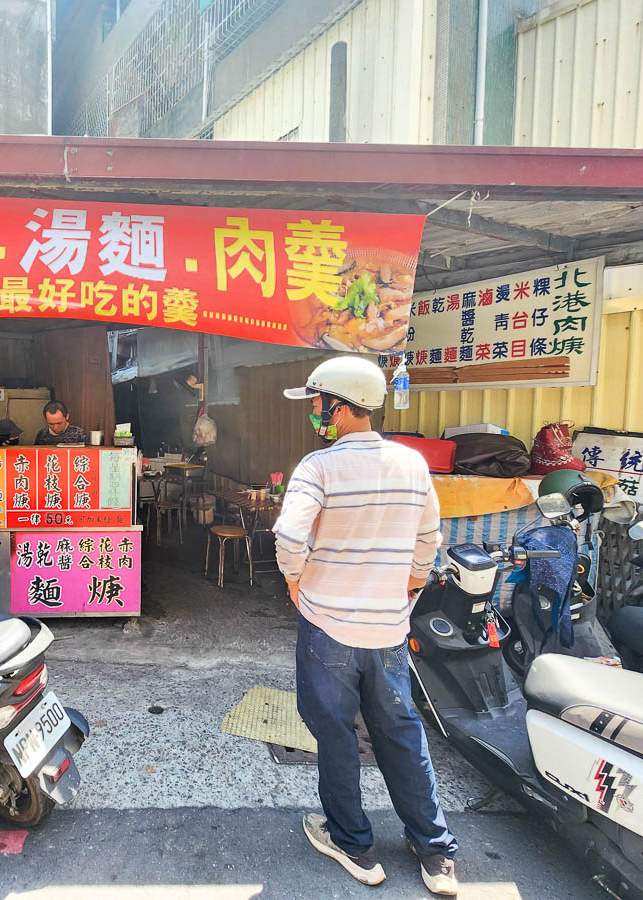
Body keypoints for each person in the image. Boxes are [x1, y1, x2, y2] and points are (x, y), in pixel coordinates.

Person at [272, 355, 457, 896]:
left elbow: (288, 536)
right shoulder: (411, 465)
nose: (313, 412)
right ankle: (435, 853)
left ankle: (353, 843)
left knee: (335, 735)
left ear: (341, 405)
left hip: (327, 628)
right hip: (389, 632)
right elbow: (429, 541)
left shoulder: (318, 466)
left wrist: (293, 581)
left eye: (316, 403)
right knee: (401, 735)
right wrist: (410, 587)